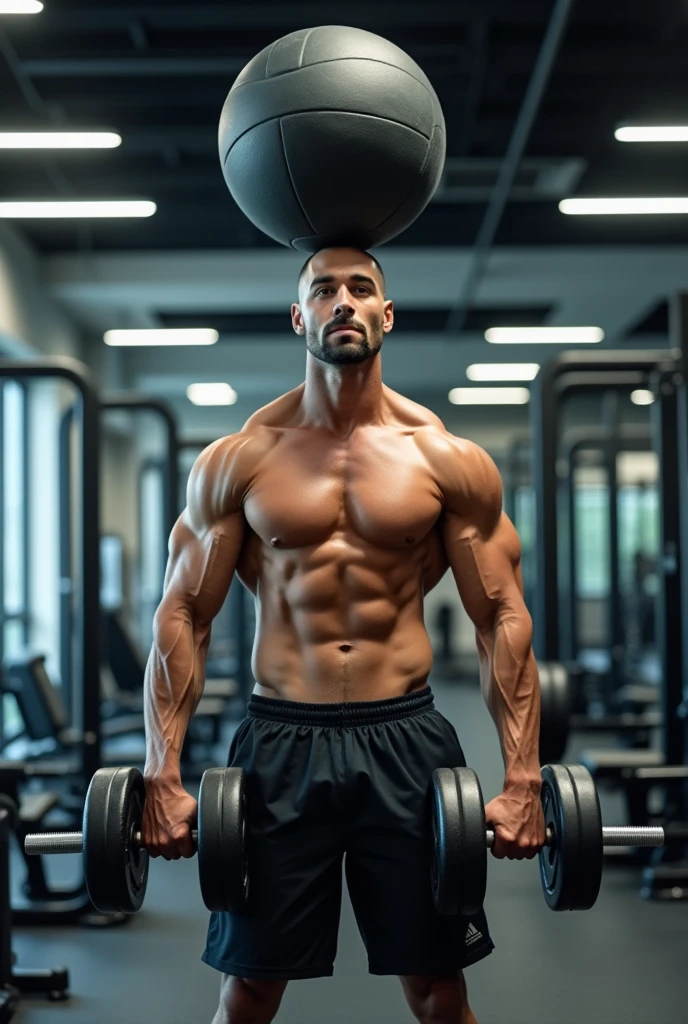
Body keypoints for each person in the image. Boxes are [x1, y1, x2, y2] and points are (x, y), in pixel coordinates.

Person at [141, 247, 546, 1024]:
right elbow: (182, 614)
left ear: (386, 315)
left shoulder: (447, 460)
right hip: (280, 741)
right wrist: (162, 775)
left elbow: (501, 616)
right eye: (322, 291)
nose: (343, 303)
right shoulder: (239, 461)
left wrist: (525, 780)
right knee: (249, 990)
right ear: (299, 318)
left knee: (439, 991)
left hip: (407, 738)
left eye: (361, 289)